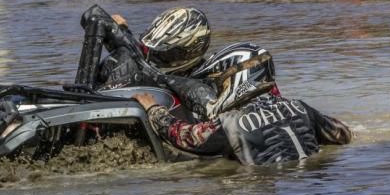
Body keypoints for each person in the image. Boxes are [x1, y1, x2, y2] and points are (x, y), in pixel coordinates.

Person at [132, 44, 352, 165]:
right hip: (309, 187)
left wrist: (153, 108)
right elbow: (343, 134)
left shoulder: (230, 124)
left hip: (264, 185)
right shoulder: (300, 107)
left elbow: (181, 136)